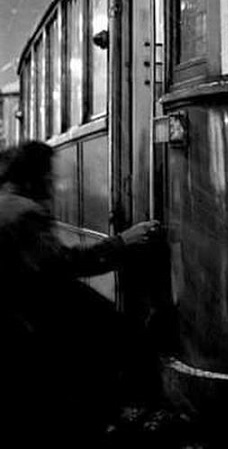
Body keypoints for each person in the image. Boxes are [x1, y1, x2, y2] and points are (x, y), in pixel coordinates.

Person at [0, 140, 163, 446]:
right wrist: (124, 242)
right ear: (35, 175)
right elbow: (63, 264)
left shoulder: (8, 203)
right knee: (115, 331)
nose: (53, 182)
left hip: (15, 311)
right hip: (22, 322)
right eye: (49, 174)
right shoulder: (24, 212)